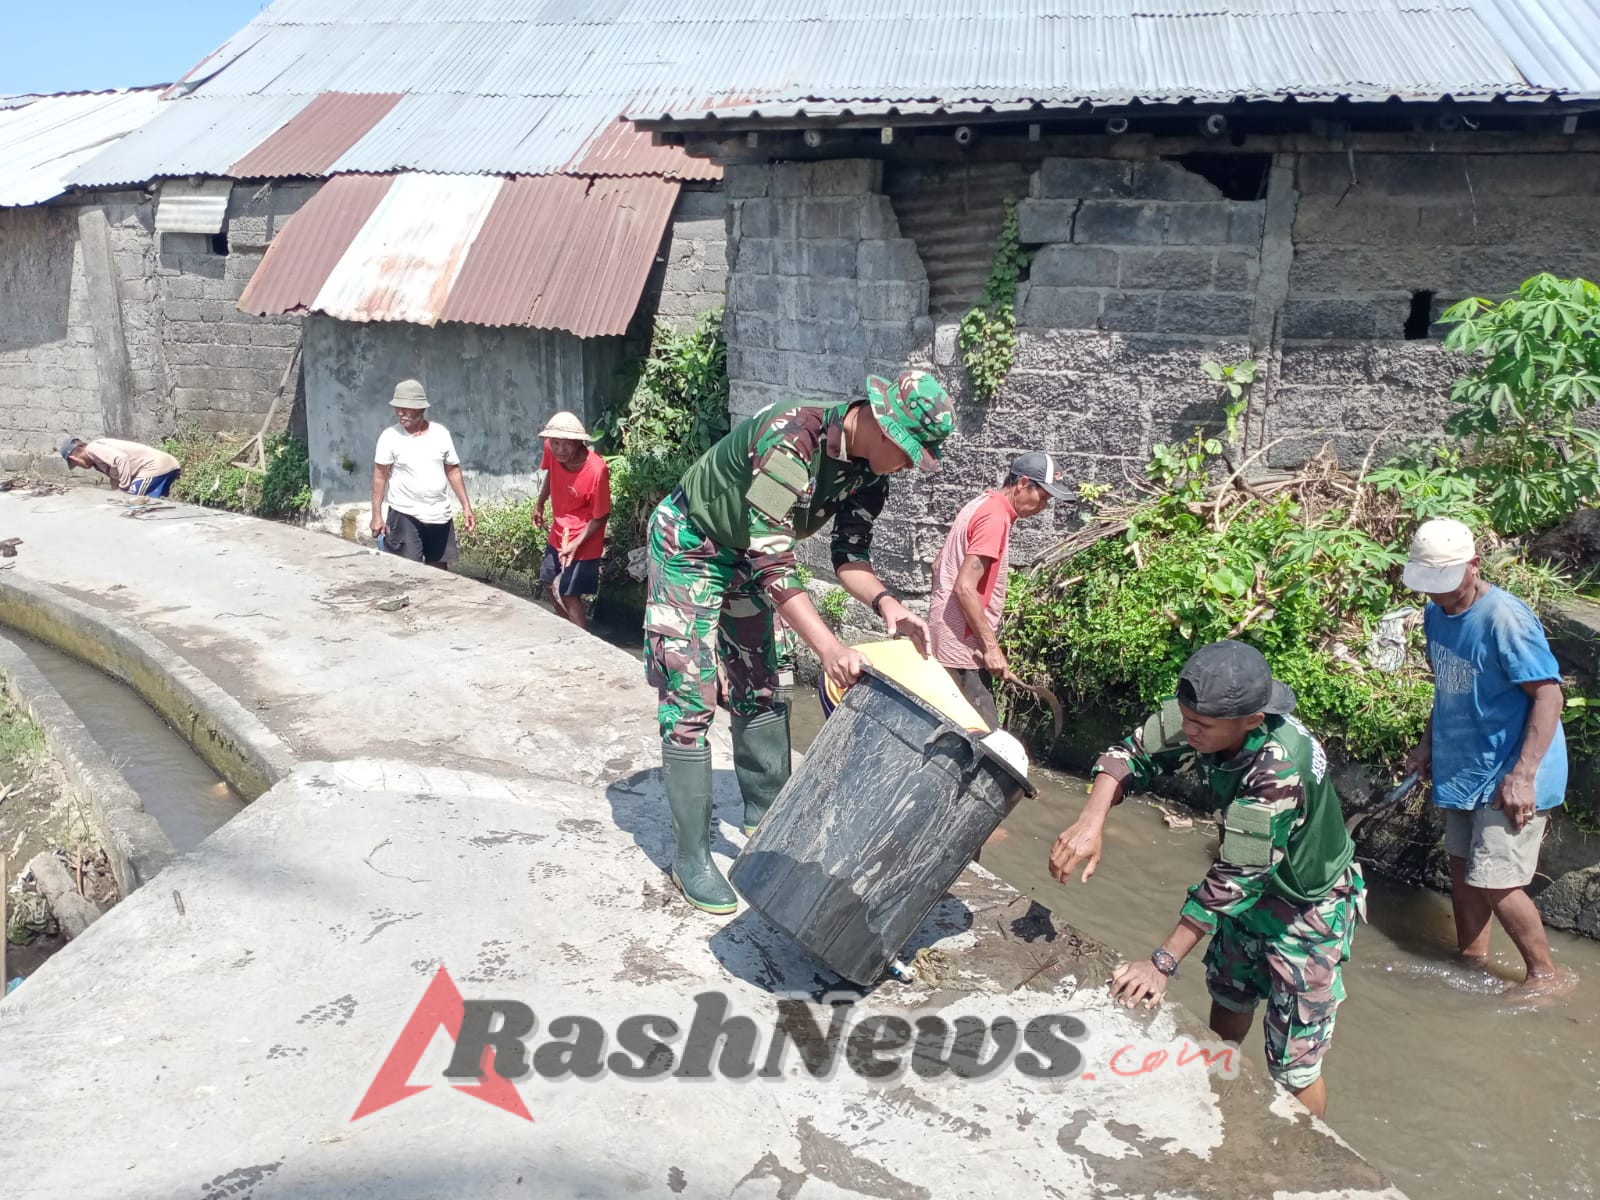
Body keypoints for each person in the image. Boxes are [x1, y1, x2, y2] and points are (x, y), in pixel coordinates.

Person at [645, 369, 955, 915]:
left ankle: (767, 819)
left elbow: (849, 558)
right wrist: (830, 649)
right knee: (693, 695)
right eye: (908, 453)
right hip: (691, 541)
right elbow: (771, 558)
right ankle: (690, 857)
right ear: (882, 425)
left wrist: (891, 607)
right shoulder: (794, 436)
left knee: (760, 685)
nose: (908, 467)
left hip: (748, 557)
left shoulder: (869, 475)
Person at [1048, 640, 1365, 1119]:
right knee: (1229, 995)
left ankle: (1303, 1165)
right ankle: (1222, 1099)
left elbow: (1234, 877)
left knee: (1293, 1067)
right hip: (1251, 888)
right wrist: (1091, 822)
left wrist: (1162, 962)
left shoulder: (1277, 770)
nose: (1188, 730)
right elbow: (1129, 753)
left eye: (1202, 726)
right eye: (1186, 718)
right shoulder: (1207, 715)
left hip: (1308, 910)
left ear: (1252, 721)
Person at [1400, 518, 1577, 999]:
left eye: (1446, 583)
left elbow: (1547, 695)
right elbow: (1448, 688)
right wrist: (1427, 745)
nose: (1437, 595)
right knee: (1463, 871)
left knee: (1497, 881)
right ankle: (1471, 961)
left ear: (1473, 567)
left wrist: (1523, 775)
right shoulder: (1435, 614)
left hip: (1512, 769)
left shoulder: (1505, 619)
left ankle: (1547, 977)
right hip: (1465, 763)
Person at [926, 452, 1070, 727]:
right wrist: (991, 649)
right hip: (963, 651)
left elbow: (938, 565)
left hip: (946, 638)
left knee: (946, 726)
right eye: (1044, 497)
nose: (1044, 507)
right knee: (986, 736)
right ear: (1023, 483)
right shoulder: (995, 517)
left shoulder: (980, 503)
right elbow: (966, 587)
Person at [370, 379, 475, 570]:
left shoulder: (440, 434)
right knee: (408, 570)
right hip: (405, 513)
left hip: (438, 514)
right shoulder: (390, 437)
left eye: (406, 408)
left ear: (420, 409)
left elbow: (453, 470)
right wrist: (377, 515)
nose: (400, 413)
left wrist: (466, 507)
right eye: (398, 408)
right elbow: (380, 477)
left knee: (439, 571)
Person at [532, 411, 610, 629]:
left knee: (568, 592)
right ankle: (568, 629)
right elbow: (551, 473)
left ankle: (581, 638)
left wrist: (576, 544)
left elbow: (601, 514)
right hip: (559, 531)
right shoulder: (552, 451)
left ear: (578, 443)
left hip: (585, 538)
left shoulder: (597, 470)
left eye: (566, 444)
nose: (559, 450)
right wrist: (540, 503)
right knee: (549, 581)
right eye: (555, 443)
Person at [60, 437, 181, 497]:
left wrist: (123, 489)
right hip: (156, 467)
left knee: (132, 500)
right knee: (143, 505)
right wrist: (116, 495)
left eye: (76, 464)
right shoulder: (97, 462)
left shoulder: (92, 448)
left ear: (74, 458)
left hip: (155, 466)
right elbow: (115, 477)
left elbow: (121, 458)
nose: (80, 467)